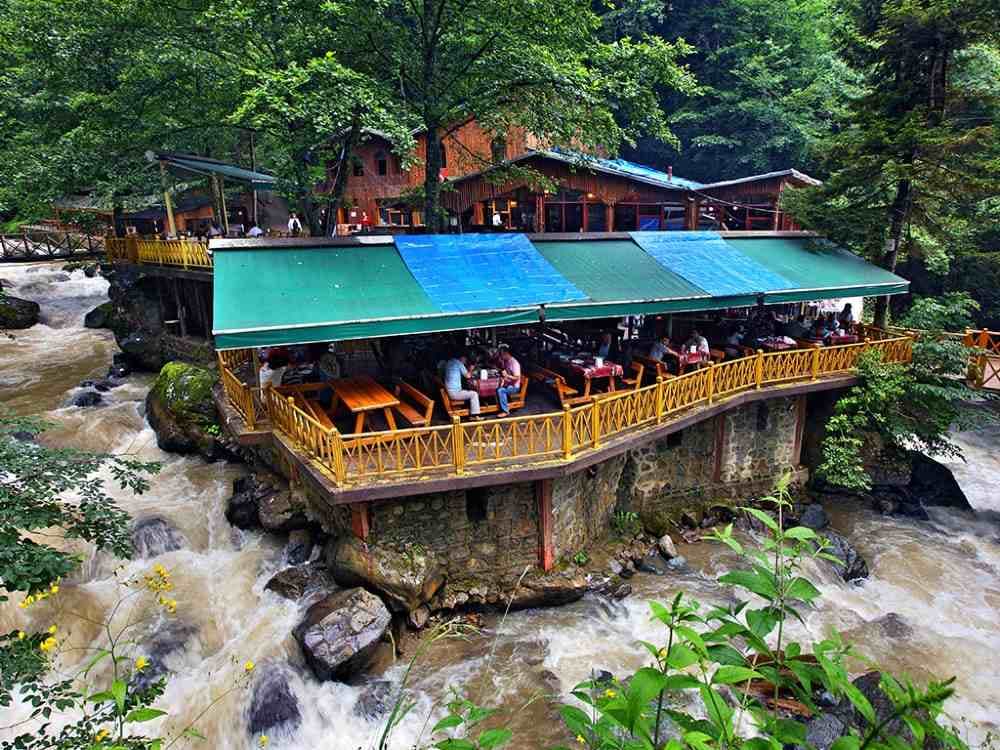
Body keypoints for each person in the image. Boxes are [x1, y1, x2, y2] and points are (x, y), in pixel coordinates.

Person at [443, 353, 481, 419]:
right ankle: (475, 416)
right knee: (474, 394)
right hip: (454, 393)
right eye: (465, 359)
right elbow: (468, 376)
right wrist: (471, 369)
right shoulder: (459, 363)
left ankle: (472, 411)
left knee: (468, 389)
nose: (465, 361)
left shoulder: (449, 362)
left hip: (450, 391)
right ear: (462, 357)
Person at [496, 346, 521, 417]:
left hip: (514, 387)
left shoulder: (514, 363)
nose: (500, 356)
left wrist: (506, 375)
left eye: (501, 354)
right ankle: (498, 404)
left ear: (506, 353)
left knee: (501, 390)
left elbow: (517, 377)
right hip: (509, 383)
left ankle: (505, 411)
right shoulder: (507, 361)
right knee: (497, 386)